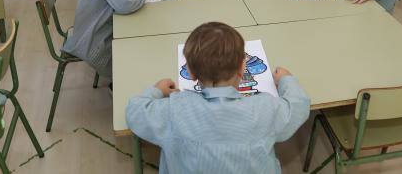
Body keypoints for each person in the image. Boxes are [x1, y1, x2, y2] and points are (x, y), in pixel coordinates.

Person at [125, 22, 310, 173]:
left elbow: (134, 111)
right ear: (242, 68)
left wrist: (157, 90)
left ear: (189, 72)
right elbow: (299, 106)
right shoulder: (265, 109)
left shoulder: (175, 109)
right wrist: (286, 79)